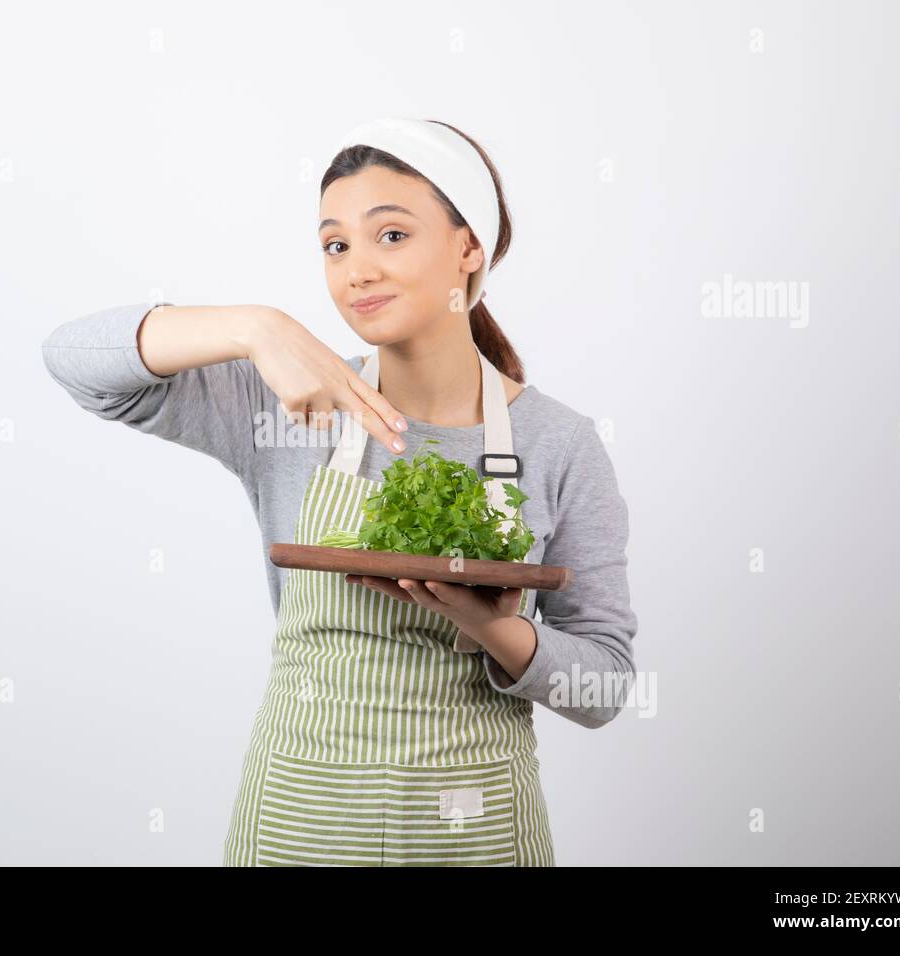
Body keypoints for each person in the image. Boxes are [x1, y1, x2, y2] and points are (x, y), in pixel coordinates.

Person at [41, 117, 638, 866]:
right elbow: (71, 360)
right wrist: (258, 328)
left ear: (468, 249)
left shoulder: (560, 443)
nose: (357, 269)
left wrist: (489, 626)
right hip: (299, 822)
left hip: (472, 830)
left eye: (391, 235)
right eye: (336, 244)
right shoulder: (289, 402)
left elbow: (604, 686)